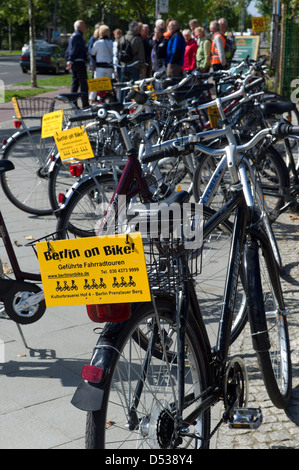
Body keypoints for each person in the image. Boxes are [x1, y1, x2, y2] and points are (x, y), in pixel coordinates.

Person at [65, 20, 89, 107]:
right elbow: (74, 49)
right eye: (84, 26)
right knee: (83, 83)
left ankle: (73, 103)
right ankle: (85, 103)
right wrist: (70, 59)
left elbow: (68, 50)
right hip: (79, 62)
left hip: (75, 62)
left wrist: (68, 59)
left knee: (75, 82)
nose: (85, 27)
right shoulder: (78, 36)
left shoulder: (73, 36)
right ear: (78, 27)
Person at [89, 24, 114, 104]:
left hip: (100, 67)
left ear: (100, 33)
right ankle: (109, 101)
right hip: (109, 67)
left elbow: (92, 52)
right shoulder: (111, 42)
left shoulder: (97, 43)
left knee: (96, 85)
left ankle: (91, 100)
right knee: (108, 85)